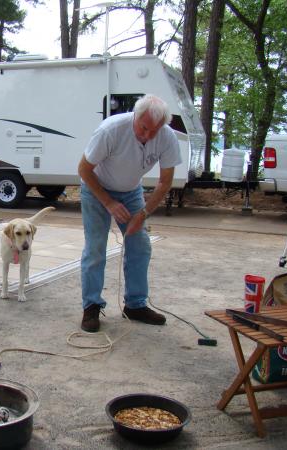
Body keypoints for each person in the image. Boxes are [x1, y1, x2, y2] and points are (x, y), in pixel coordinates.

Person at [78, 94, 182, 332]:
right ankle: (91, 307)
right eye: (143, 128)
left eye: (153, 131)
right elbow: (83, 169)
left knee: (140, 245)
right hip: (96, 188)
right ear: (136, 116)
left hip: (131, 190)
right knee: (95, 248)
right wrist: (109, 202)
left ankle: (135, 305)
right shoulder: (111, 130)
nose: (147, 135)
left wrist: (142, 214)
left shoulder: (167, 137)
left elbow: (165, 183)